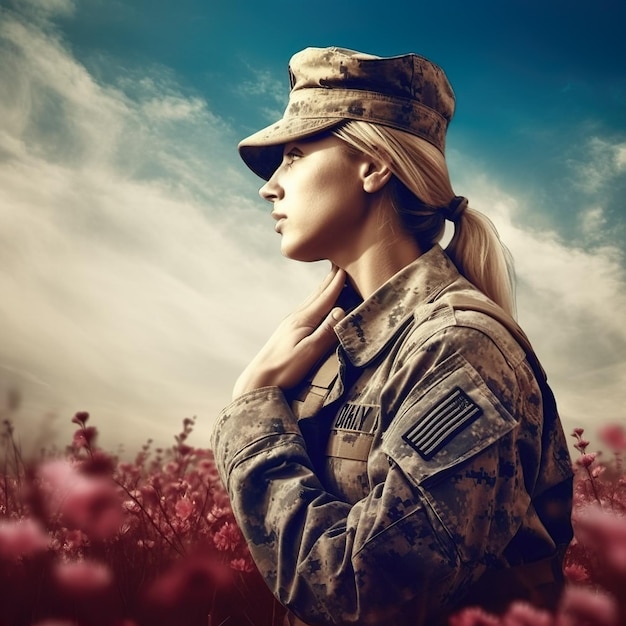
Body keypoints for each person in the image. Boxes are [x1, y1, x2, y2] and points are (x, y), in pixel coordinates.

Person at [210, 46, 573, 626]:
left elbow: (363, 592)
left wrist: (251, 414)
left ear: (374, 166)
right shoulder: (338, 349)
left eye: (296, 154)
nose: (269, 187)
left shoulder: (457, 348)